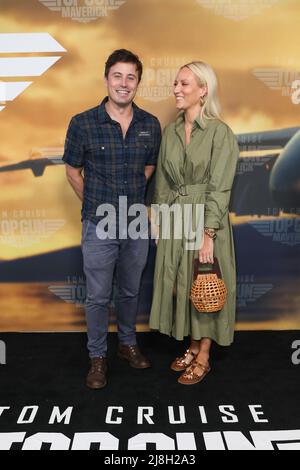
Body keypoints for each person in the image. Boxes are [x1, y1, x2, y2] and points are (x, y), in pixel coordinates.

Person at [63, 49, 161, 389]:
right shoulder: (83, 122)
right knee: (98, 296)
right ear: (106, 79)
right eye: (117, 76)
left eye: (131, 77)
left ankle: (127, 344)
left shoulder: (150, 124)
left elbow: (148, 168)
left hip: (135, 221)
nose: (124, 83)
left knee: (131, 291)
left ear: (138, 83)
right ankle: (97, 357)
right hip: (99, 222)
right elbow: (73, 171)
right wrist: (96, 202)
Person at [149, 61, 239, 385]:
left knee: (206, 285)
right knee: (185, 288)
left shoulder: (220, 133)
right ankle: (190, 344)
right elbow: (162, 181)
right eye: (175, 83)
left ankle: (204, 355)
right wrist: (158, 220)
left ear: (203, 90)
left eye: (185, 84)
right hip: (176, 217)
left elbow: (220, 187)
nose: (176, 89)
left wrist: (209, 233)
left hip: (204, 219)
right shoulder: (171, 131)